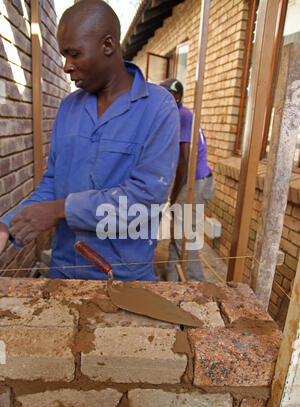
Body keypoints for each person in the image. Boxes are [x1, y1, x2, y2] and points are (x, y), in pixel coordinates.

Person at [0, 0, 180, 281]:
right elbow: (53, 183)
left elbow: (144, 200)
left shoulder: (158, 108)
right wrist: (7, 226)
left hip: (122, 278)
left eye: (74, 54)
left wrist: (60, 210)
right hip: (64, 271)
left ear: (107, 45)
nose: (66, 66)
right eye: (63, 55)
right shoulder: (69, 108)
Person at [160, 78, 215, 281]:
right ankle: (171, 278)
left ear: (177, 96)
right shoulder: (183, 114)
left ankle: (197, 285)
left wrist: (173, 195)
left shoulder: (181, 116)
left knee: (184, 237)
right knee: (179, 232)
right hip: (200, 181)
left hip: (195, 183)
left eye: (166, 94)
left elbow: (184, 160)